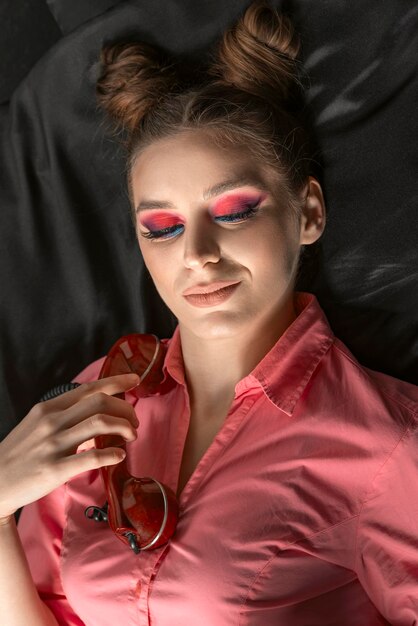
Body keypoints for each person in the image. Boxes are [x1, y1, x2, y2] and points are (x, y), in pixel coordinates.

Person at [0, 1, 417, 624]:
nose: (196, 255)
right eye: (163, 227)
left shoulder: (384, 444)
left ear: (307, 213)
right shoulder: (96, 400)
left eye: (233, 212)